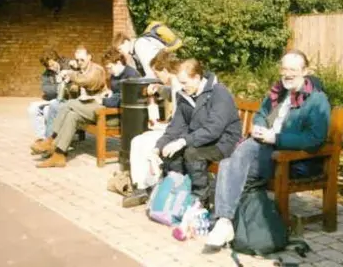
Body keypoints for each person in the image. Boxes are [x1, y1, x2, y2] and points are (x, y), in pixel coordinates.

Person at [205, 49, 331, 249]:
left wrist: (277, 137)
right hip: (264, 148)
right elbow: (263, 114)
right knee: (231, 162)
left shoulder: (317, 100)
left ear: (305, 71)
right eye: (284, 68)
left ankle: (224, 220)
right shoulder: (279, 93)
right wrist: (259, 126)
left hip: (290, 158)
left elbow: (315, 139)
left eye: (293, 69)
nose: (287, 74)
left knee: (232, 164)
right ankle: (225, 221)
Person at [151, 58, 242, 207]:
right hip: (201, 139)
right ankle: (178, 193)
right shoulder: (184, 95)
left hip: (224, 142)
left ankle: (200, 200)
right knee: (172, 153)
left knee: (191, 153)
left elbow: (214, 129)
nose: (181, 87)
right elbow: (175, 128)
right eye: (180, 82)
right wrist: (158, 148)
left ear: (197, 78)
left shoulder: (219, 92)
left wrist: (182, 141)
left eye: (185, 83)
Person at [119, 50, 182, 208]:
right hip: (174, 129)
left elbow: (180, 122)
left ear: (166, 71)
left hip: (179, 134)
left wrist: (162, 126)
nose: (156, 76)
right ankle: (141, 186)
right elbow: (169, 93)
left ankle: (147, 186)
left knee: (143, 142)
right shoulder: (174, 84)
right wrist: (158, 88)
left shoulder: (179, 86)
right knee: (138, 141)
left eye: (157, 73)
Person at [32, 45, 110, 168]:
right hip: (86, 107)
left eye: (82, 60)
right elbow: (75, 89)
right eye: (78, 60)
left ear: (89, 57)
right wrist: (70, 83)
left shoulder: (97, 69)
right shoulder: (79, 71)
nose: (80, 62)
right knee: (71, 116)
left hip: (99, 107)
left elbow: (89, 81)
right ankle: (59, 155)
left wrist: (70, 74)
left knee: (69, 105)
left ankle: (51, 139)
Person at [28, 50, 72, 153]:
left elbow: (75, 80)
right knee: (32, 109)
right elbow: (46, 89)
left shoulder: (68, 65)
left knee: (48, 110)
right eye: (49, 67)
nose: (51, 68)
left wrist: (65, 80)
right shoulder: (46, 74)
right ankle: (41, 139)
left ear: (56, 59)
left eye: (52, 64)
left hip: (67, 99)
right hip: (53, 99)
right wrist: (58, 85)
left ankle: (51, 142)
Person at [113, 24, 180, 78]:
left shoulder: (139, 45)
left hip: (168, 74)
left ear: (125, 42)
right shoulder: (134, 50)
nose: (120, 53)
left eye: (120, 49)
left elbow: (150, 71)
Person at [101, 48, 141, 126]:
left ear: (118, 63)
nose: (108, 71)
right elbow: (116, 92)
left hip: (128, 114)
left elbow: (125, 99)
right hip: (115, 108)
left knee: (101, 119)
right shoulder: (114, 74)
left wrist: (102, 101)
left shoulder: (131, 75)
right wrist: (109, 93)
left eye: (110, 68)